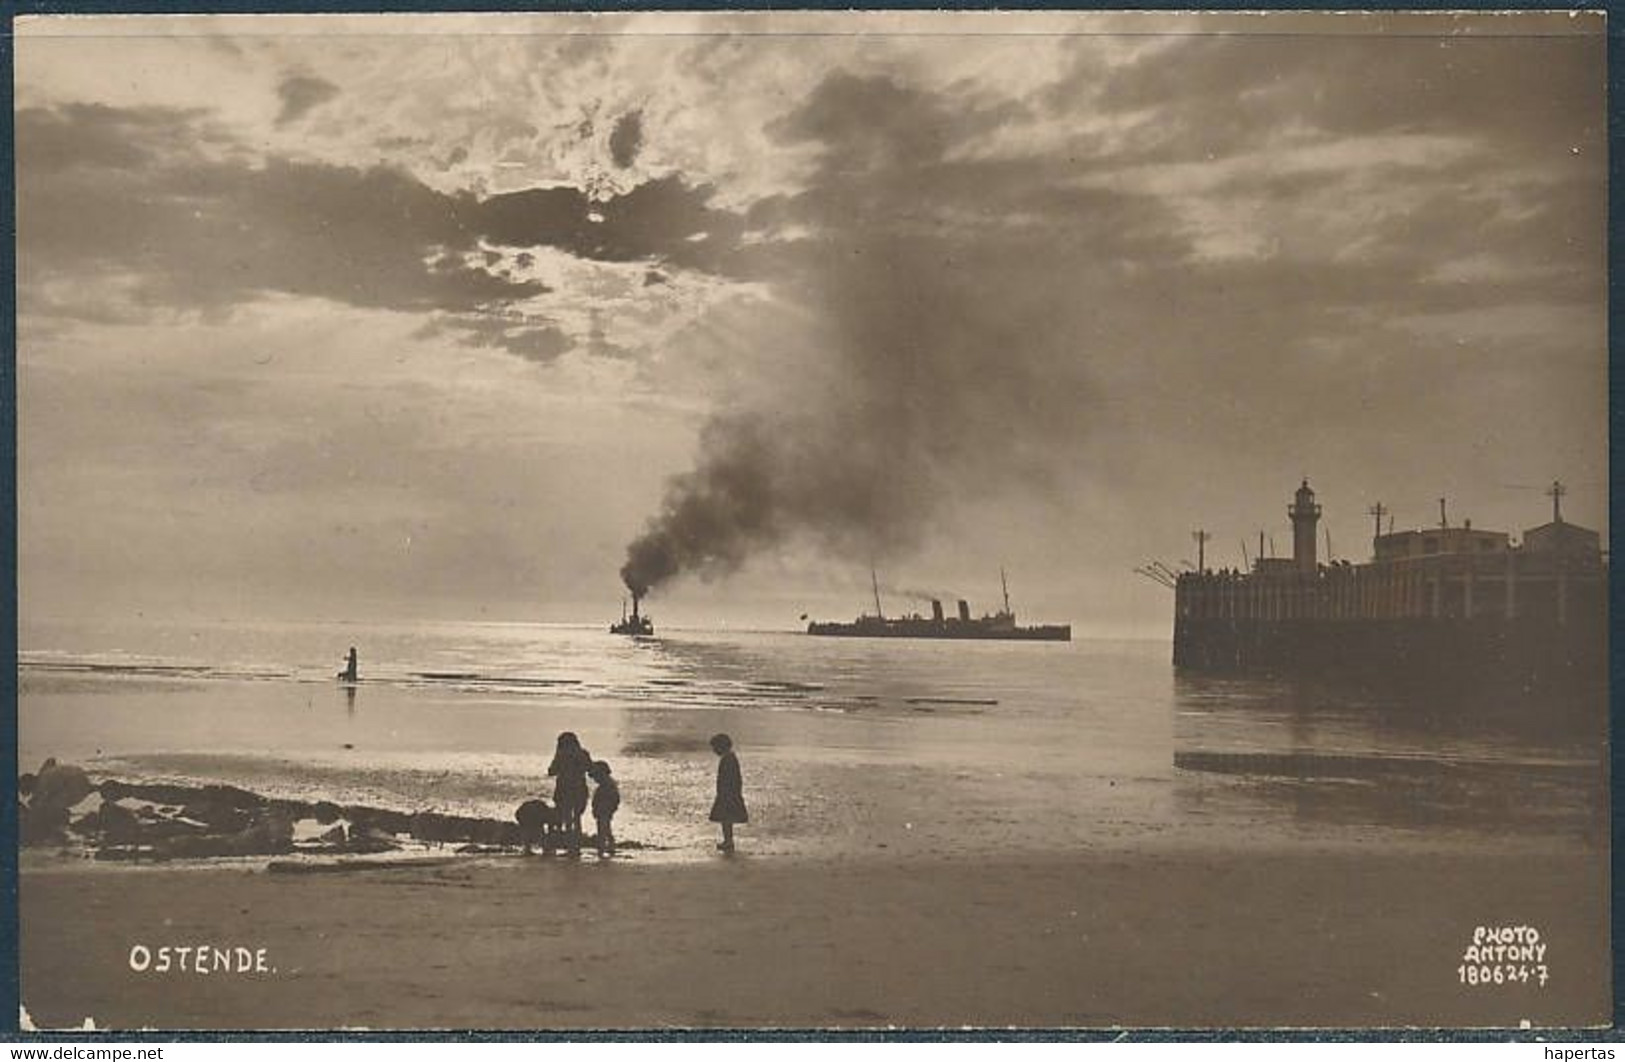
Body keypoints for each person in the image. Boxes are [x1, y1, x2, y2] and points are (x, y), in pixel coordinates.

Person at [547, 731, 592, 856]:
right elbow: (590, 769)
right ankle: (576, 847)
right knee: (577, 819)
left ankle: (570, 847)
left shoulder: (561, 755)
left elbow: (551, 771)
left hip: (564, 788)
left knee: (567, 819)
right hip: (579, 788)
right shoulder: (583, 753)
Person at [708, 733, 747, 852]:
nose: (714, 751)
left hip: (727, 794)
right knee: (726, 819)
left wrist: (725, 793)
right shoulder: (730, 757)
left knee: (726, 819)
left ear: (721, 747)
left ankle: (728, 841)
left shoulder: (728, 759)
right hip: (730, 793)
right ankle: (728, 841)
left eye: (715, 748)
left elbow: (729, 778)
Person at [588, 761, 620, 858]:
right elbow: (616, 799)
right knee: (606, 828)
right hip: (605, 809)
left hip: (604, 809)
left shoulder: (607, 786)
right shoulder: (609, 784)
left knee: (602, 829)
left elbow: (614, 799)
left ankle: (602, 848)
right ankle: (610, 846)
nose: (595, 779)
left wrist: (596, 808)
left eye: (596, 777)